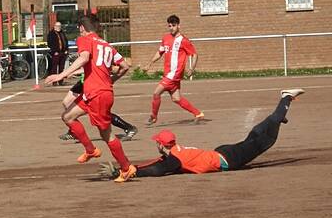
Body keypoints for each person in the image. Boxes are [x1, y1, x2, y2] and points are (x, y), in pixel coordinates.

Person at [102, 89, 304, 179]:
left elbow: (158, 170)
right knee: (254, 139)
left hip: (228, 158)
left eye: (158, 143)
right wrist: (129, 168)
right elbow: (156, 164)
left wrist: (131, 171)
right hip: (223, 154)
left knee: (265, 140)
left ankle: (285, 100)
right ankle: (275, 118)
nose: (157, 145)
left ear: (163, 145)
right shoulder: (175, 152)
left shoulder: (175, 159)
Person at [45, 15, 136, 183]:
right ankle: (91, 149)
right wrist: (111, 80)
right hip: (95, 93)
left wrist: (61, 75)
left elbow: (84, 57)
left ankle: (126, 168)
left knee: (106, 134)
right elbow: (125, 66)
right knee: (68, 116)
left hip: (97, 94)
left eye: (80, 28)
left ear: (82, 28)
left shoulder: (85, 39)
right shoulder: (106, 45)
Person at [144, 14, 204, 125]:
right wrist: (150, 64)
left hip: (173, 74)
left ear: (179, 26)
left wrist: (192, 68)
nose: (171, 28)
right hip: (168, 73)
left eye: (173, 25)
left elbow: (194, 54)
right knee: (176, 98)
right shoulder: (165, 38)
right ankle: (198, 113)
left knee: (156, 93)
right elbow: (160, 52)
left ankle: (153, 117)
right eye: (169, 26)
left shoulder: (183, 40)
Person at [59, 72, 138, 142]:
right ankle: (73, 131)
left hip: (93, 81)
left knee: (99, 113)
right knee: (67, 103)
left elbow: (93, 66)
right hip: (84, 80)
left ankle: (129, 128)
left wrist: (72, 72)